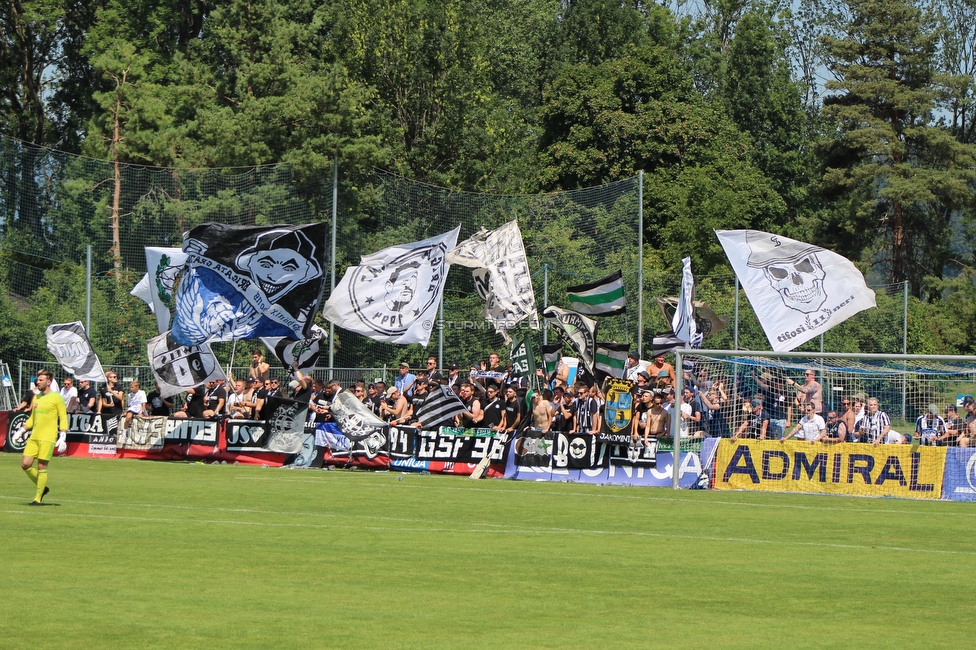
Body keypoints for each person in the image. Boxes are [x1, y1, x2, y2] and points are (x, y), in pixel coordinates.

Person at [19, 369, 68, 505]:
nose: (38, 382)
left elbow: (63, 417)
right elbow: (32, 419)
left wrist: (63, 434)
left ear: (49, 382)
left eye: (41, 380)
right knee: (25, 464)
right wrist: (21, 430)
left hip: (48, 437)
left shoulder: (56, 397)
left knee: (41, 466)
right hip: (34, 437)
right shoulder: (37, 397)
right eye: (38, 380)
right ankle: (43, 487)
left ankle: (37, 498)